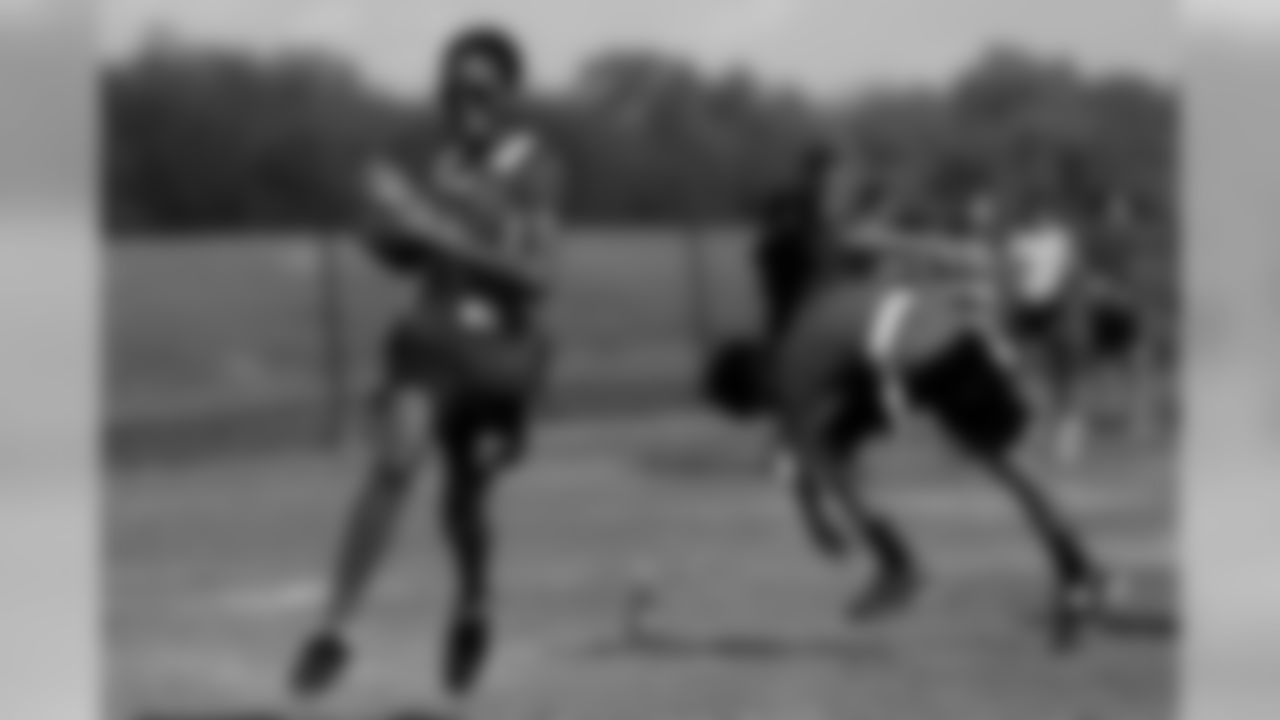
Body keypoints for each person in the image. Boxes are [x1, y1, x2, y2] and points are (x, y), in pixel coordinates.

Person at [289, 24, 562, 709]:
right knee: (396, 461)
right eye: (454, 89)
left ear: (509, 96)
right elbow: (416, 252)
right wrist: (387, 233)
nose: (466, 102)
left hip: (500, 354)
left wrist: (433, 228)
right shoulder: (439, 166)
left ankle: (474, 602)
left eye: (482, 89)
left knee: (465, 498)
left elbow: (538, 275)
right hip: (434, 343)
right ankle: (336, 628)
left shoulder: (532, 167)